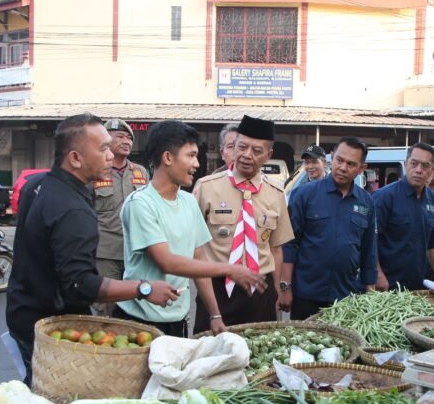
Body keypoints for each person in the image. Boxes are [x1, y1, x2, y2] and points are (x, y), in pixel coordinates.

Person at [6, 113, 175, 383]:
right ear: (75, 158)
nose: (110, 155)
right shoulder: (73, 209)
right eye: (103, 148)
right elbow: (79, 284)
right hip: (53, 328)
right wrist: (143, 288)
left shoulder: (36, 186)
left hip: (22, 312)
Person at [116, 120, 266, 337]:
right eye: (190, 155)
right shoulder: (140, 204)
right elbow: (166, 261)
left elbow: (199, 261)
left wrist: (215, 315)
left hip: (177, 320)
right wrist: (229, 269)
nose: (197, 164)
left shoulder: (188, 201)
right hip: (139, 323)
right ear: (168, 157)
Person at [192, 115, 294, 333]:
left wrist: (276, 290)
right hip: (217, 288)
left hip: (260, 289)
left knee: (259, 356)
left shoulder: (276, 193)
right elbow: (193, 246)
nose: (247, 155)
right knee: (209, 353)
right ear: (233, 147)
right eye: (242, 147)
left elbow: (276, 249)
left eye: (257, 151)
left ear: (269, 155)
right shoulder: (206, 187)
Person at [281, 137, 377, 319]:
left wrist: (370, 290)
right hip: (306, 294)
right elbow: (289, 243)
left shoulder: (366, 202)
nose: (343, 167)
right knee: (303, 345)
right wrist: (286, 286)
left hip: (346, 297)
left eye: (351, 164)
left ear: (361, 168)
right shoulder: (304, 195)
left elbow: (369, 249)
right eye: (339, 160)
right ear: (331, 158)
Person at [91, 119, 149, 315]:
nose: (126, 141)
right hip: (106, 251)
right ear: (106, 141)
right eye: (120, 137)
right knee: (106, 304)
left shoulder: (141, 172)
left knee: (137, 301)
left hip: (136, 250)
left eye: (129, 138)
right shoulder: (96, 172)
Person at [373, 143, 434, 292]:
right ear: (406, 164)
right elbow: (369, 240)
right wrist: (377, 273)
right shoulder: (384, 197)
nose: (418, 170)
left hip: (420, 284)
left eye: (425, 166)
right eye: (414, 164)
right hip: (387, 284)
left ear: (433, 170)